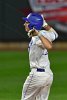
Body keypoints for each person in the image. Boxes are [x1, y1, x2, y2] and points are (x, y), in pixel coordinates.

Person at [21, 13, 58, 100]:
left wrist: (38, 35)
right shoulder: (45, 33)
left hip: (37, 77)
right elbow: (55, 34)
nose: (24, 24)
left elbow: (49, 46)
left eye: (27, 22)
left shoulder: (38, 39)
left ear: (32, 25)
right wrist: (45, 25)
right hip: (48, 76)